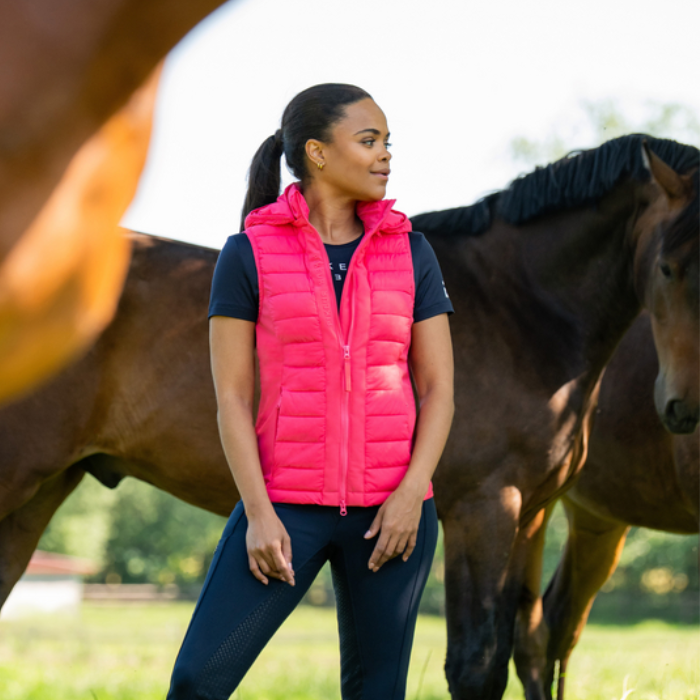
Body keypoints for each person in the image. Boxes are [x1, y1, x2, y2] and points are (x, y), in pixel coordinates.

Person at [167, 83, 454, 700]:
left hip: (392, 518)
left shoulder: (413, 252)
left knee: (376, 693)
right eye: (369, 140)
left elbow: (439, 392)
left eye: (387, 143)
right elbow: (233, 400)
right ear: (318, 153)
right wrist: (260, 513)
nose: (385, 156)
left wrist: (411, 495)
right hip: (284, 511)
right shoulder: (247, 254)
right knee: (198, 680)